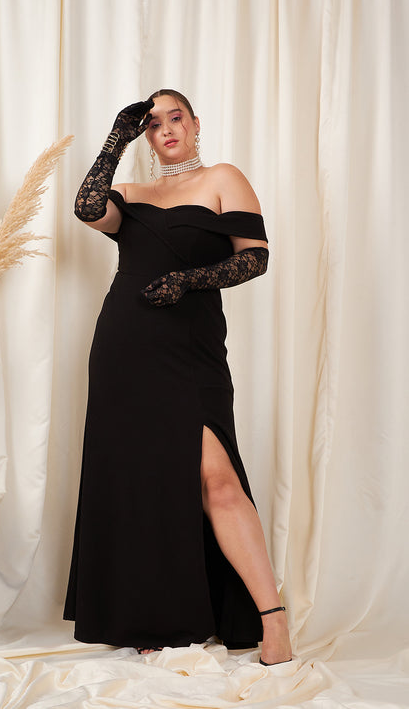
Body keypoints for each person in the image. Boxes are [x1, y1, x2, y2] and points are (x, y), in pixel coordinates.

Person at [64, 89, 292, 665]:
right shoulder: (131, 193)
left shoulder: (222, 178)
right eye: (153, 123)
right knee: (142, 481)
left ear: (194, 123)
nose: (166, 129)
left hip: (191, 349)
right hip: (124, 347)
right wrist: (115, 139)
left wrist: (190, 280)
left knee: (218, 480)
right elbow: (87, 209)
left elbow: (255, 256)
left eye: (176, 118)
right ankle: (154, 615)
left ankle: (273, 621)